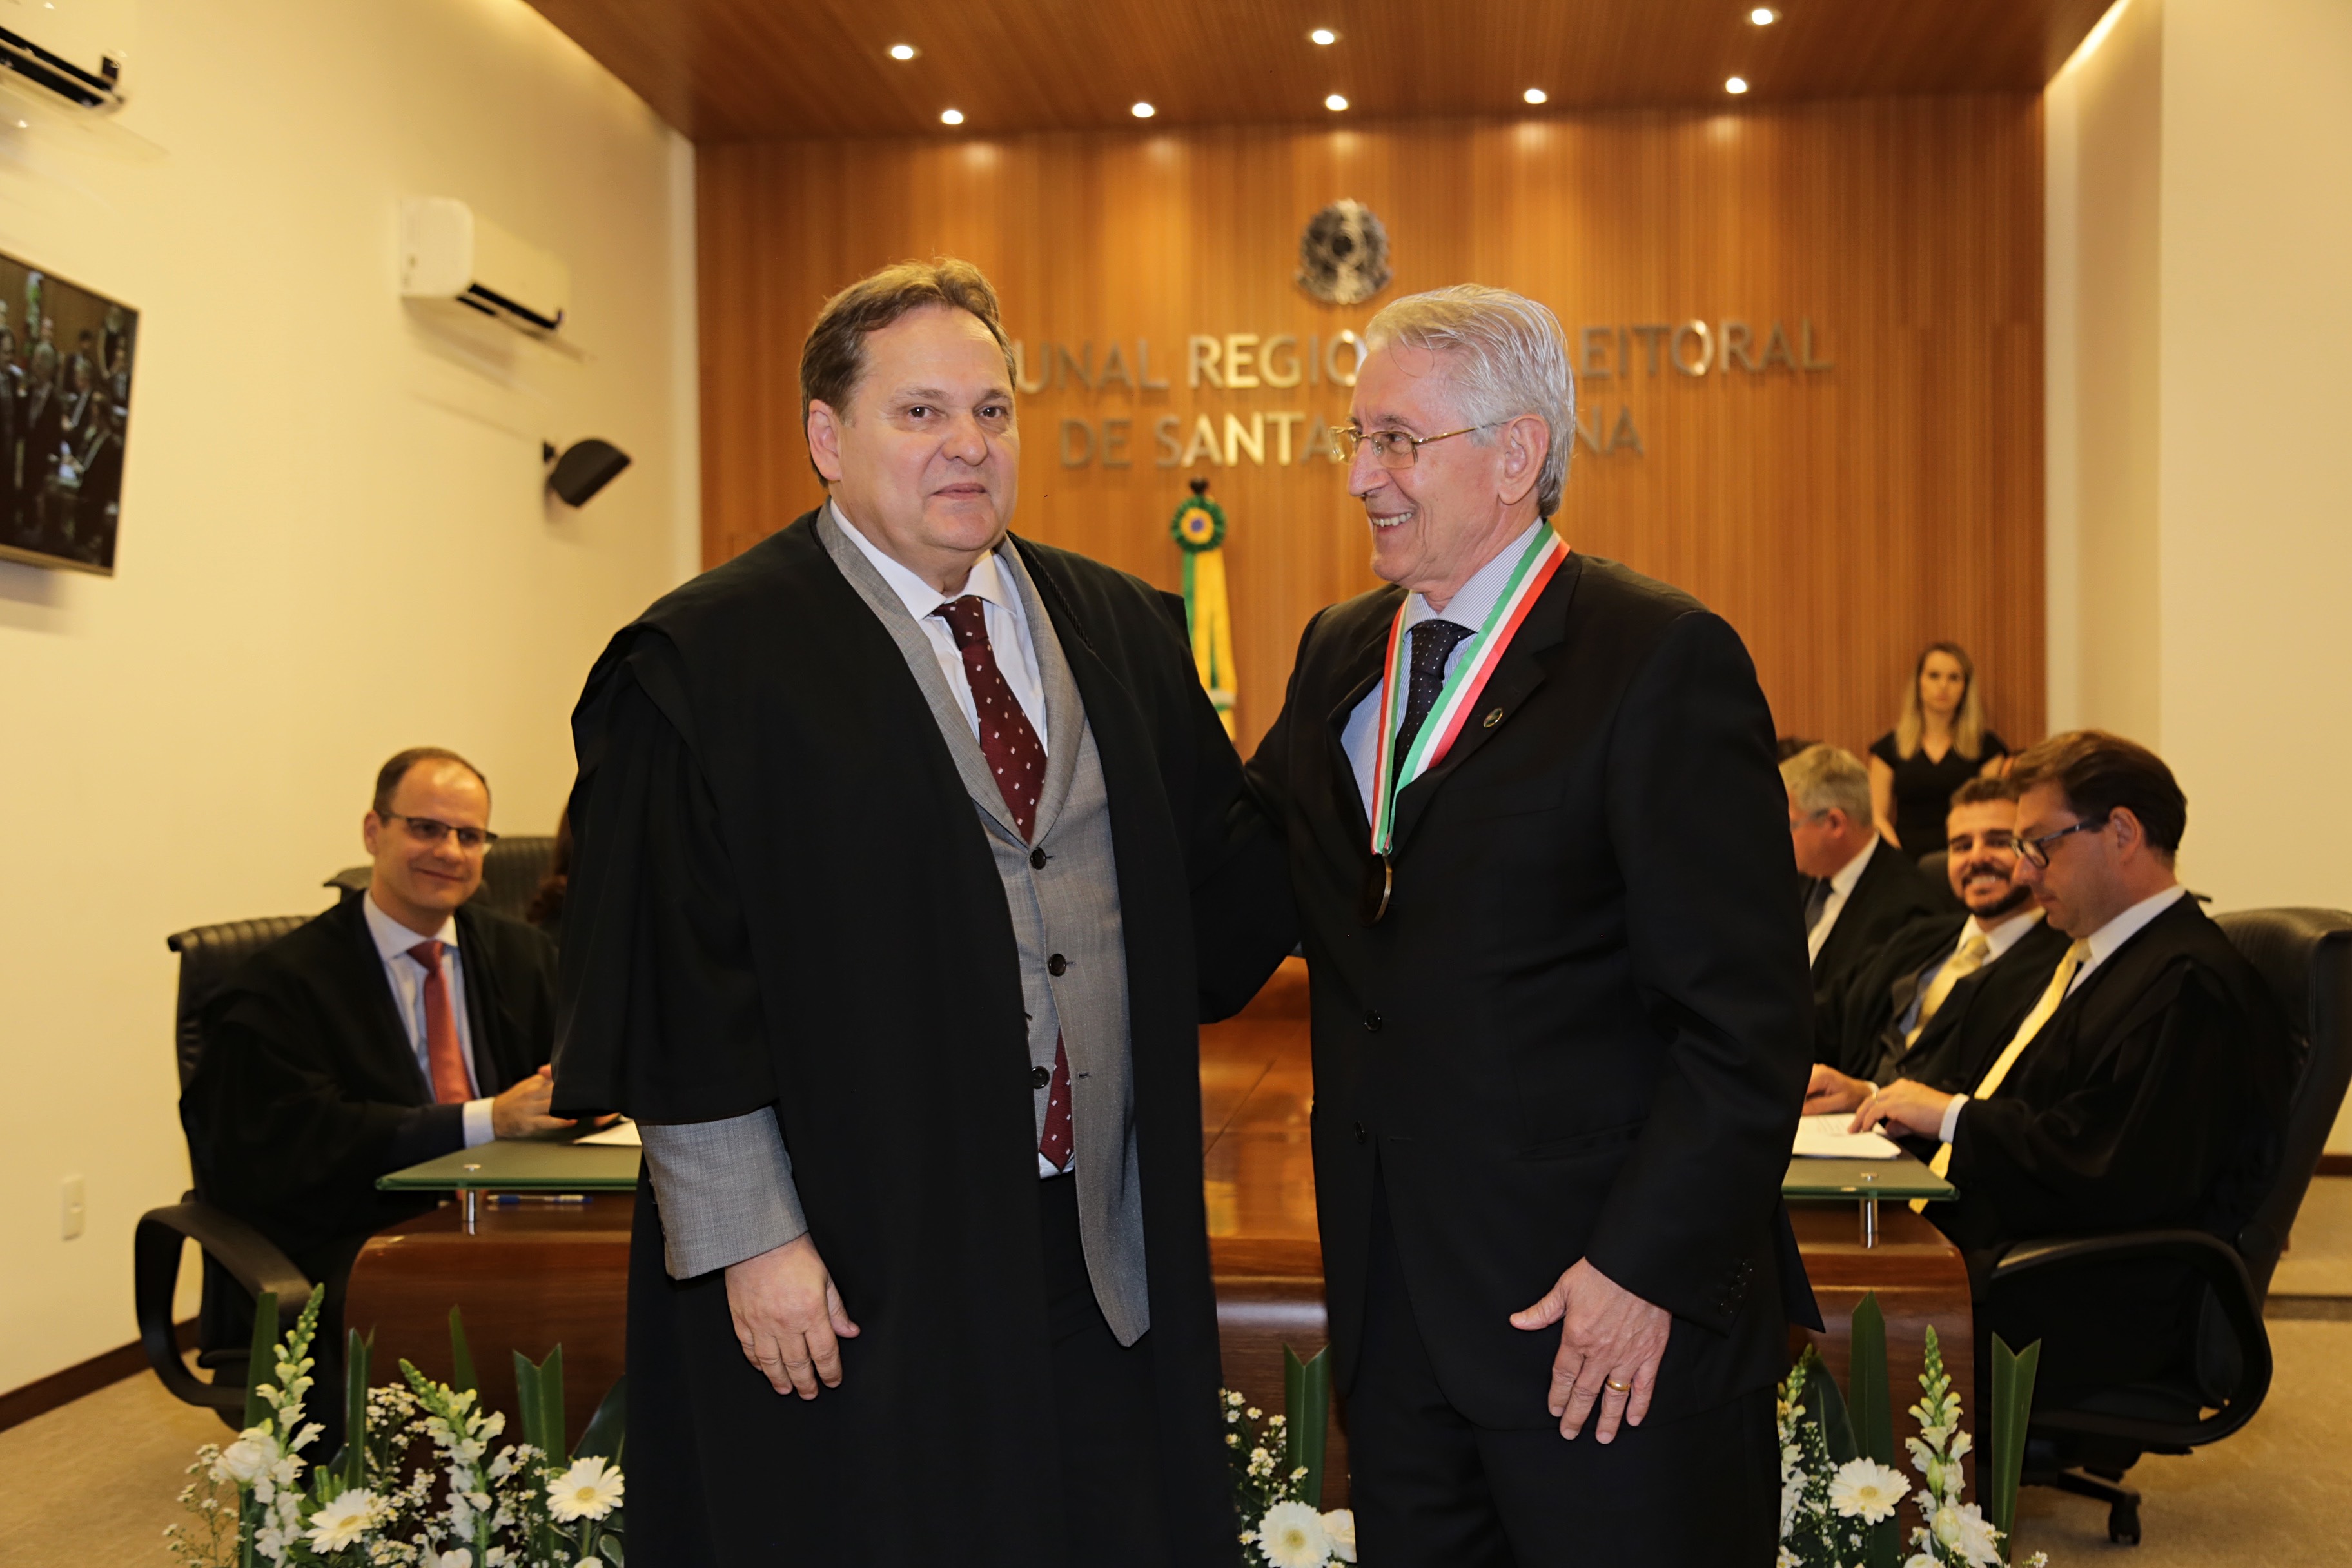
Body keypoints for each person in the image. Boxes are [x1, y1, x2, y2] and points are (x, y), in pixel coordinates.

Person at [551, 259, 1293, 1567]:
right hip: (854, 1267)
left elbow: (1217, 903)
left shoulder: (1121, 627)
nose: (968, 444)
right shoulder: (706, 665)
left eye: (992, 411)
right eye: (921, 412)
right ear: (826, 437)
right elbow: (678, 977)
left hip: (1100, 1244)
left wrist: (1358, 731)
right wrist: (753, 1244)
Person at [1245, 285, 1816, 1564]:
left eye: (1397, 441)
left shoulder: (1658, 658)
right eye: (1356, 438)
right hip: (1399, 1326)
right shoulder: (1339, 651)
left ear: (1516, 454)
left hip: (1602, 1329)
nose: (1360, 475)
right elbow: (1246, 887)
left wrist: (1641, 1272)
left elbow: (1745, 1025)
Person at [1851, 730, 2295, 1405]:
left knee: (1839, 1317)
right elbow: (2049, 1110)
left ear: (2122, 832)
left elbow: (2110, 1171)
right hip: (2027, 1247)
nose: (2026, 872)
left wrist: (1954, 1119)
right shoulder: (2106, 957)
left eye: (2041, 845)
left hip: (2085, 1294)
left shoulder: (2188, 985)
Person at [181, 749, 568, 1436]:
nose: (449, 851)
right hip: (354, 1233)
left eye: (470, 835)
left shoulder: (523, 955)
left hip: (508, 1213)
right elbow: (295, 1142)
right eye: (426, 828)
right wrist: (487, 1119)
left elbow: (568, 1072)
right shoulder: (278, 986)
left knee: (606, 1282)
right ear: (373, 831)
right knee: (467, 1303)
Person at [1806, 776, 2070, 1098]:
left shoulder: (2062, 965)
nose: (1977, 858)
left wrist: (1870, 1094)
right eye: (1962, 846)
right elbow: (1826, 1018)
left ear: (2032, 852)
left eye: (1999, 842)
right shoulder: (1919, 937)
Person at [1787, 742, 1940, 1002]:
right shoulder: (1805, 876)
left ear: (1834, 823)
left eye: (1790, 825)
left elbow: (1855, 1012)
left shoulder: (1905, 911)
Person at [1869, 642, 2010, 858]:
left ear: (1966, 687)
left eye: (1954, 678)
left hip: (1967, 856)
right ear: (1919, 683)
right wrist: (1898, 859)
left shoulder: (1987, 748)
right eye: (1934, 676)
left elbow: (1992, 813)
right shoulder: (1888, 748)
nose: (1943, 686)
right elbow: (1876, 816)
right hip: (1905, 858)